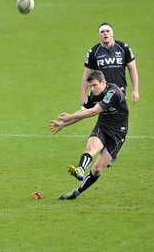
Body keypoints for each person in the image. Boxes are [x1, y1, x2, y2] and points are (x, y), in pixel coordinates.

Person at [50, 70, 128, 200]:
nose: (92, 89)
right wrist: (63, 124)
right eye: (90, 86)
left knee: (97, 169)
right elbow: (83, 112)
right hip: (102, 127)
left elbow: (94, 112)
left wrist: (70, 116)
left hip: (118, 133)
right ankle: (80, 169)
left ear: (103, 82)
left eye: (94, 85)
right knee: (91, 148)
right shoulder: (93, 94)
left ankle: (76, 192)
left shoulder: (113, 93)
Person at [80, 22, 139, 106]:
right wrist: (83, 95)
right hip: (102, 92)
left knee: (116, 116)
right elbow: (86, 73)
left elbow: (132, 69)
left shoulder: (123, 48)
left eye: (108, 31)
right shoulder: (93, 52)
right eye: (102, 32)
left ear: (112, 33)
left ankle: (68, 119)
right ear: (99, 35)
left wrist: (135, 90)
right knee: (106, 116)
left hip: (119, 92)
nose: (105, 33)